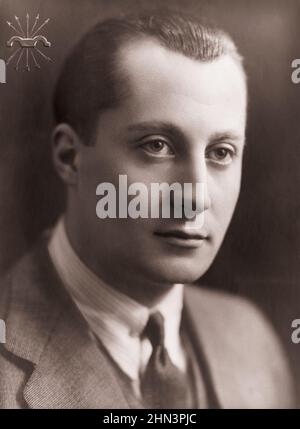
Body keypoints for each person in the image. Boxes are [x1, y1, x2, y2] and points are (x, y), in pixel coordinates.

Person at [0, 11, 295, 408]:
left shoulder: (252, 339)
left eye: (221, 152)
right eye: (156, 146)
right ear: (70, 157)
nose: (195, 196)